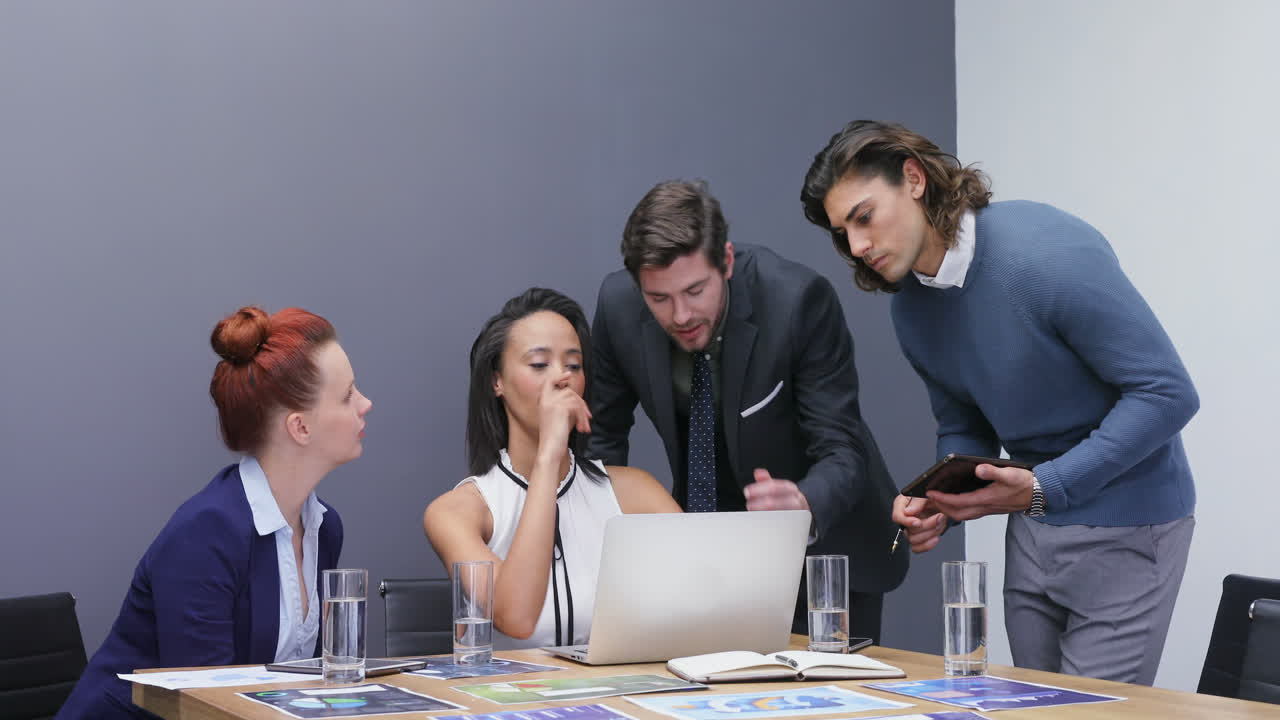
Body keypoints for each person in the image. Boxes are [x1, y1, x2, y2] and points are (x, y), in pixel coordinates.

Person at [800, 120, 1198, 685]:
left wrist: (1044, 486)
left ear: (914, 179)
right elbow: (963, 421)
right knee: (1031, 706)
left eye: (864, 217)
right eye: (843, 233)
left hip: (1131, 523)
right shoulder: (911, 308)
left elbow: (1167, 392)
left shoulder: (1046, 253)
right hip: (1033, 526)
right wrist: (943, 492)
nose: (857, 246)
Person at [588, 180, 907, 643]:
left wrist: (804, 503)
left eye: (696, 290)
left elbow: (841, 447)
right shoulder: (617, 307)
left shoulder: (798, 301)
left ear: (728, 262)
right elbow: (602, 444)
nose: (680, 315)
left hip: (821, 552)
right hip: (708, 549)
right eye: (659, 298)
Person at [57, 307, 373, 719]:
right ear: (300, 427)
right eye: (348, 395)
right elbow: (205, 708)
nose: (365, 404)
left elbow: (299, 687)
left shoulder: (325, 527)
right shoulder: (206, 533)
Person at [424, 288, 679, 649]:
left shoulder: (637, 493)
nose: (563, 377)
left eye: (574, 365)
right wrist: (548, 456)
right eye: (540, 364)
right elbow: (517, 617)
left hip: (620, 696)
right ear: (496, 381)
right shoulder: (456, 512)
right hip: (507, 701)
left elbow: (707, 599)